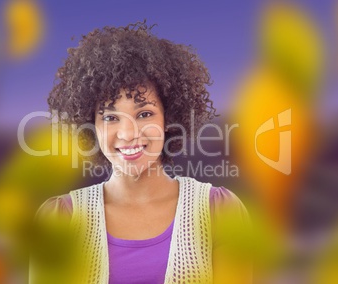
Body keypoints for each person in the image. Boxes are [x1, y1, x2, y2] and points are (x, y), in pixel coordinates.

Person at [29, 21, 252, 284]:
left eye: (144, 114)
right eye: (111, 118)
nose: (128, 133)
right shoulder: (59, 220)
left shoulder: (219, 212)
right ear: (91, 126)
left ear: (168, 118)